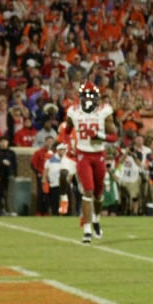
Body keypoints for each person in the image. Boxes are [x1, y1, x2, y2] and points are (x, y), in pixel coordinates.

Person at [64, 81, 119, 243]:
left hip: (99, 154)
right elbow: (66, 132)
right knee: (87, 191)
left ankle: (96, 219)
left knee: (98, 194)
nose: (88, 99)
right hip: (83, 155)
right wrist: (69, 145)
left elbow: (114, 136)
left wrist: (100, 136)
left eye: (91, 96)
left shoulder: (104, 111)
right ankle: (87, 229)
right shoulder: (73, 111)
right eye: (85, 96)